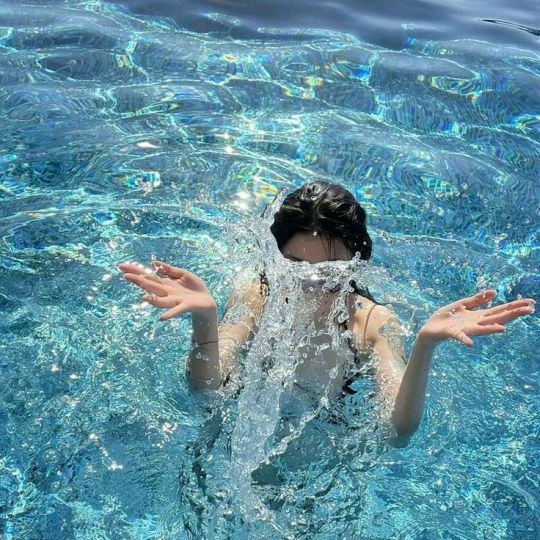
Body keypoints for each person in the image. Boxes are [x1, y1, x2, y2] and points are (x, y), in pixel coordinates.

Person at [118, 181, 535, 445]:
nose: (310, 286)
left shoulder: (371, 324)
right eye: (295, 268)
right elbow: (208, 390)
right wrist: (205, 320)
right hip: (239, 432)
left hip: (325, 447)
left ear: (355, 264)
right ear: (274, 257)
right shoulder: (256, 295)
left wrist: (425, 347)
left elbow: (394, 433)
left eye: (329, 273)